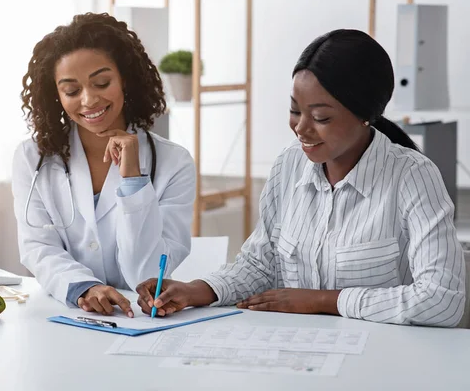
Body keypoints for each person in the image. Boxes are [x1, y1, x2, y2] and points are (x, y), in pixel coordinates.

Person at [136, 29, 466, 327]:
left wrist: (323, 302)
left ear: (366, 114)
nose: (301, 128)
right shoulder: (289, 166)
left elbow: (441, 299)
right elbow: (260, 264)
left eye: (320, 117)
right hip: (297, 352)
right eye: (295, 110)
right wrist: (198, 290)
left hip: (380, 361)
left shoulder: (413, 177)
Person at [12, 13, 195, 317]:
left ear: (125, 79)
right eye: (71, 90)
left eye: (101, 82)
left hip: (138, 321)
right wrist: (83, 287)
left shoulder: (174, 163)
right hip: (68, 316)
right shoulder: (32, 158)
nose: (88, 100)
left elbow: (146, 274)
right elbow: (37, 247)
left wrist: (134, 180)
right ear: (55, 95)